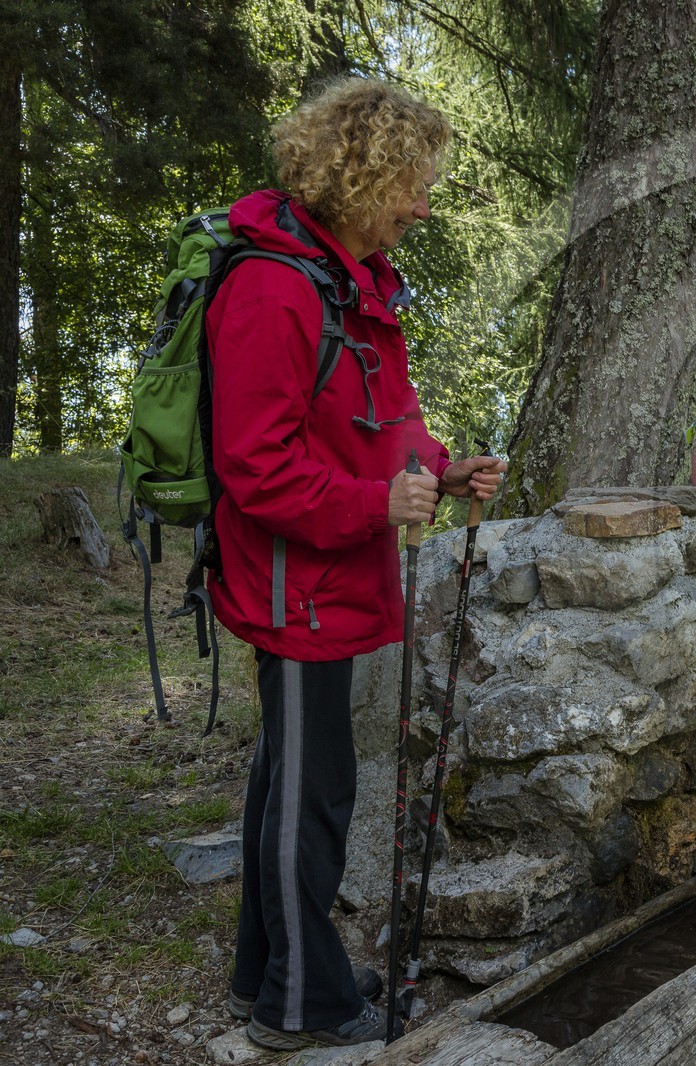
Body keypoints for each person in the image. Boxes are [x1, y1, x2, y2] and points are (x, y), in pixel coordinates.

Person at [204, 78, 505, 1050]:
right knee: (313, 792)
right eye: (412, 183)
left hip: (329, 577)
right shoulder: (274, 286)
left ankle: (269, 972)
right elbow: (255, 463)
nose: (423, 204)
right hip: (298, 585)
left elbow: (381, 426)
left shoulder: (349, 280)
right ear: (362, 176)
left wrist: (438, 469)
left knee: (291, 781)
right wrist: (374, 504)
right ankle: (303, 1006)